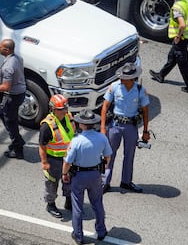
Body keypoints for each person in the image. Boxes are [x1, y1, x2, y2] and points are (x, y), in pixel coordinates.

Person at [63, 110, 112, 245]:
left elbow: (68, 162)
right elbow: (108, 156)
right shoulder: (102, 138)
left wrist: (64, 173)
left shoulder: (77, 141)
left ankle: (78, 235)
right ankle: (101, 231)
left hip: (79, 176)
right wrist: (102, 166)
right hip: (95, 174)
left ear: (83, 125)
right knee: (97, 203)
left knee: (77, 205)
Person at [100, 63, 150, 194]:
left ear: (132, 78)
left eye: (124, 78)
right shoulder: (114, 87)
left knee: (129, 155)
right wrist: (103, 128)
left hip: (131, 127)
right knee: (109, 154)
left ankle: (126, 181)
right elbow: (105, 107)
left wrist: (145, 131)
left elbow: (145, 111)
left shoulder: (140, 90)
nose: (121, 79)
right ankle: (105, 182)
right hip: (115, 126)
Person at [149, 0, 188, 95]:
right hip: (187, 35)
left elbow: (181, 25)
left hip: (181, 37)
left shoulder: (177, 8)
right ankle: (161, 75)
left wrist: (178, 36)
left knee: (183, 62)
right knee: (172, 55)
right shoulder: (186, 2)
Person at [0, 38, 26, 159]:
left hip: (13, 96)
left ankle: (18, 148)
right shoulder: (17, 58)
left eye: (1, 47)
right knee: (4, 115)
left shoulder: (8, 67)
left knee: (10, 121)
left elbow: (6, 87)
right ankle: (17, 141)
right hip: (20, 92)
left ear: (7, 50)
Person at [39, 94, 75, 218]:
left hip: (69, 159)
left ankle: (69, 202)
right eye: (61, 109)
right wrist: (44, 162)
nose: (65, 111)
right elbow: (42, 146)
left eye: (65, 108)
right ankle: (51, 204)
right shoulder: (47, 126)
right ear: (53, 109)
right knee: (52, 183)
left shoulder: (69, 117)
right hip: (54, 160)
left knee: (70, 181)